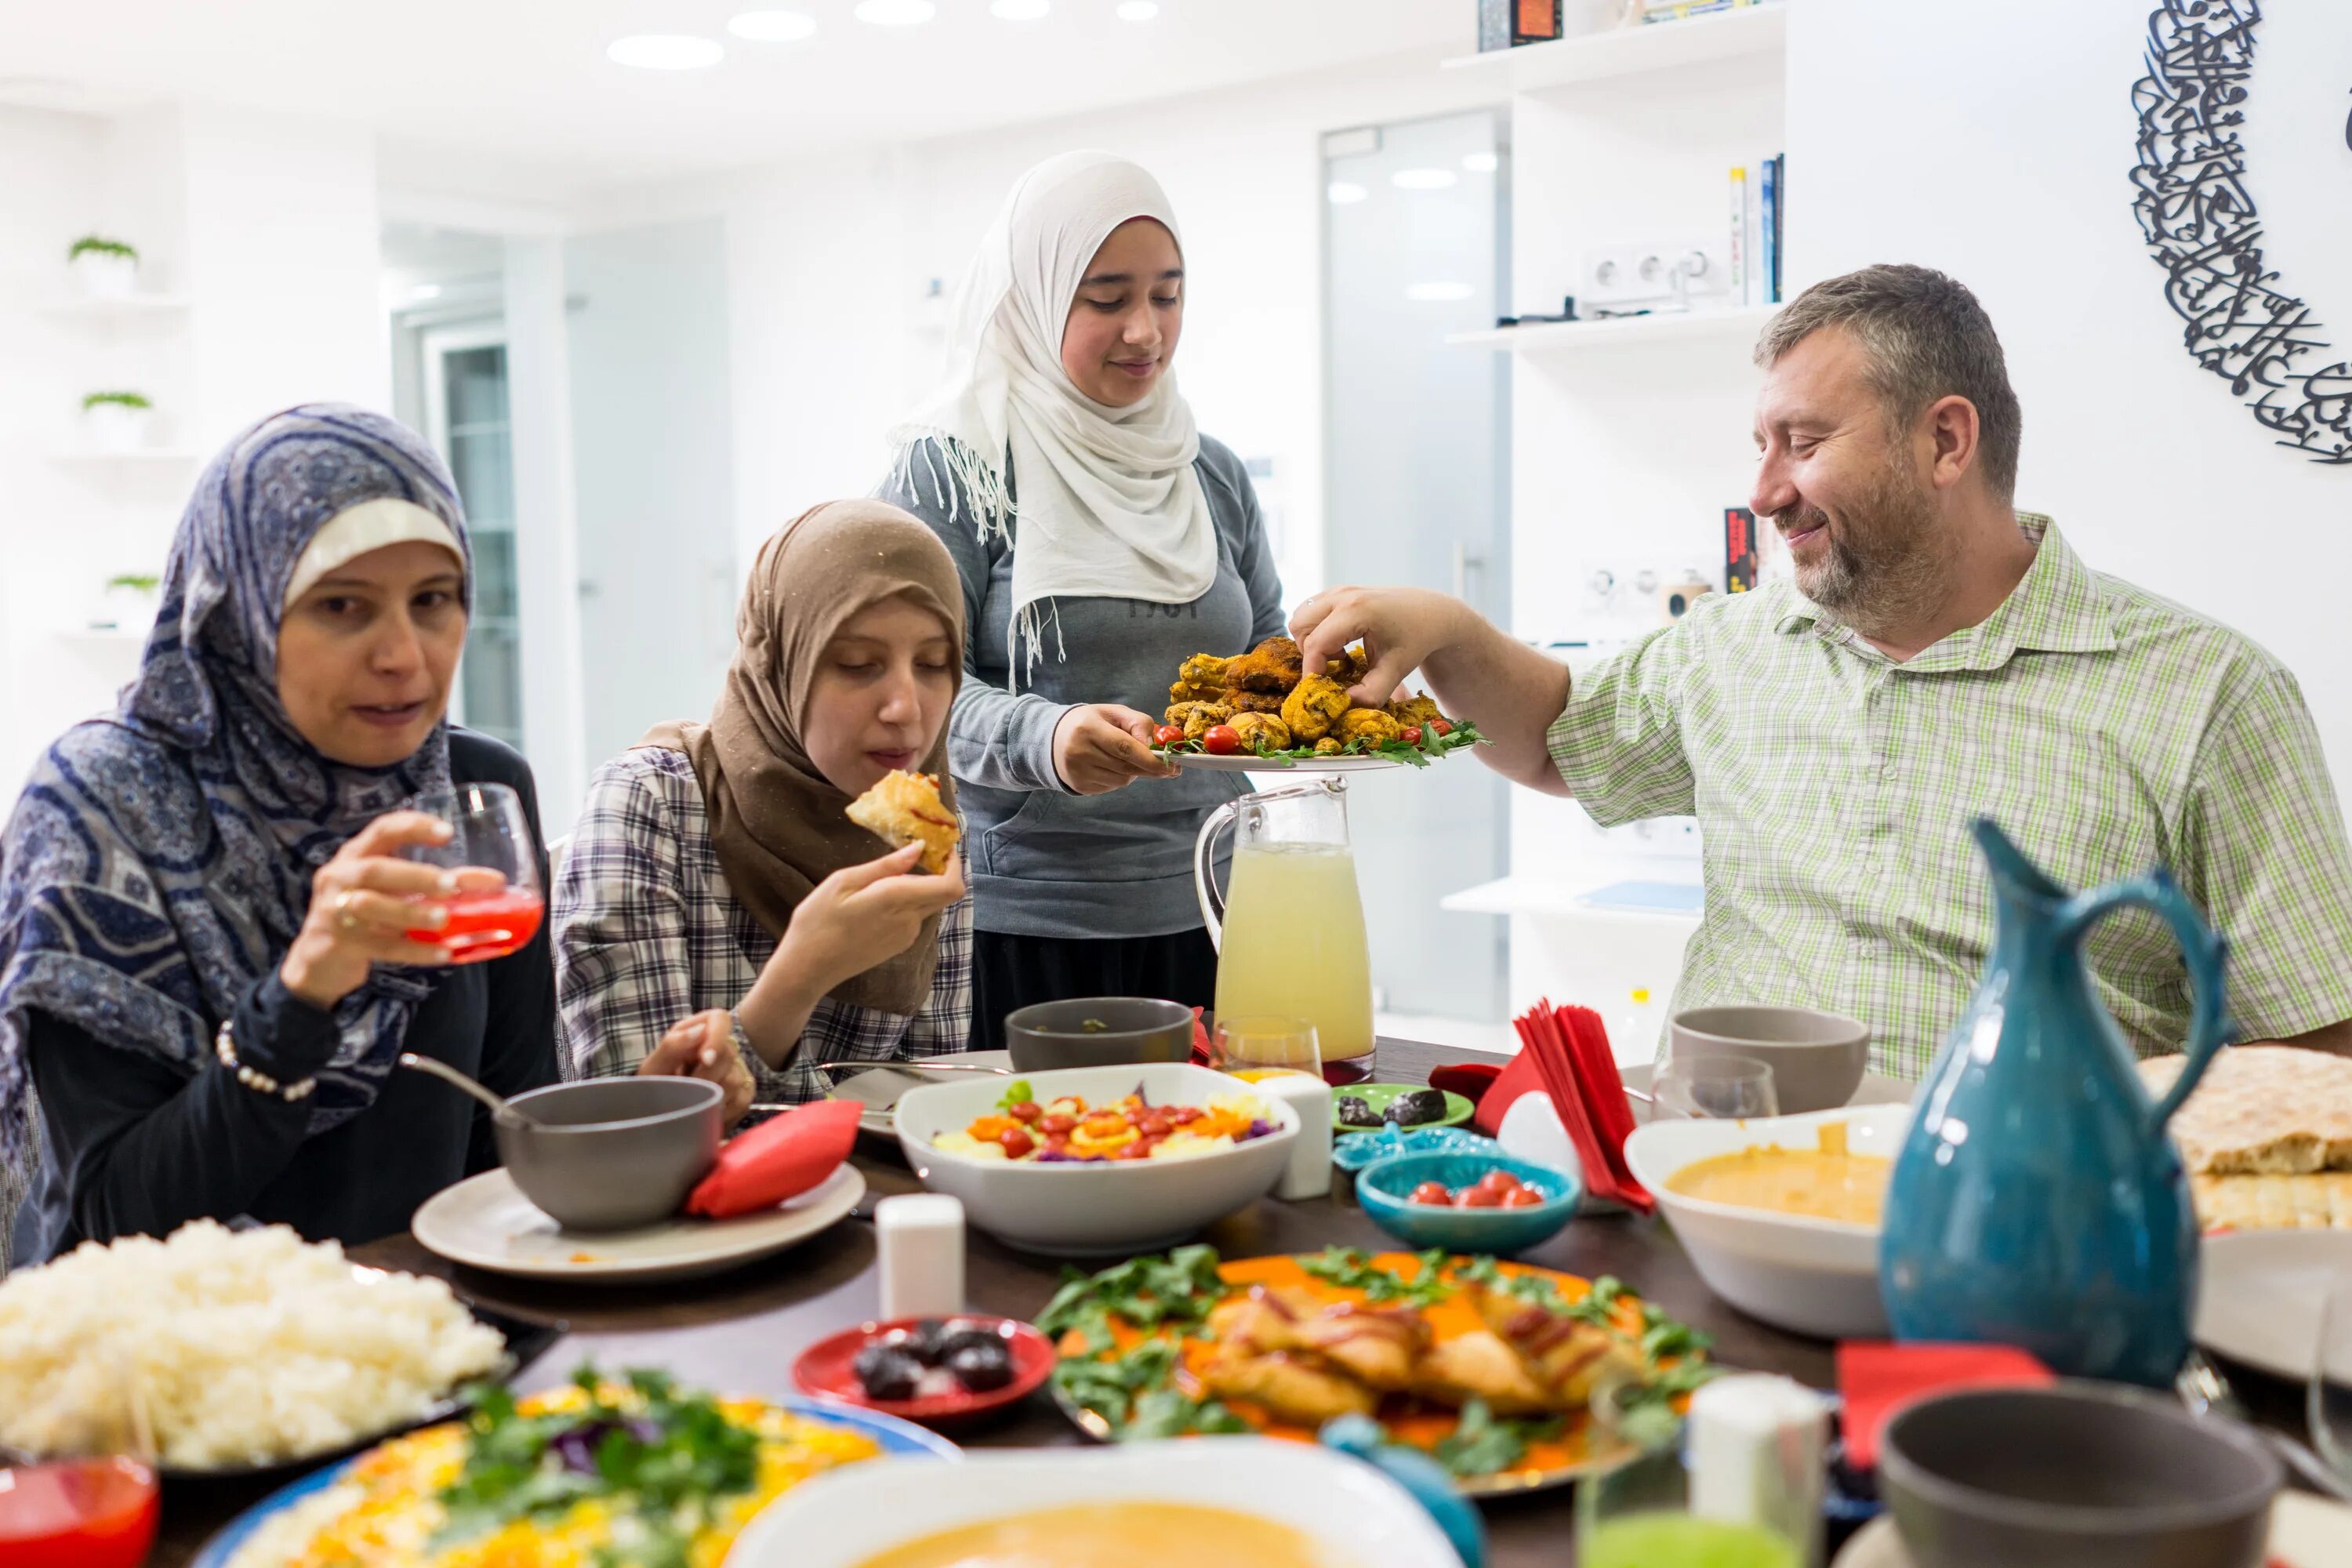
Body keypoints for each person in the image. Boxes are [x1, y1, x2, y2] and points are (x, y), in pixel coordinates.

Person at [1294, 264, 2352, 1078]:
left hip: (2017, 1234)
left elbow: (2317, 1052)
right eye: (1761, 444)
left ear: (1946, 441)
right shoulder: (1736, 644)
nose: (1763, 492)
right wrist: (1449, 632)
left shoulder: (2210, 693)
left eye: (1800, 443)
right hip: (1707, 1186)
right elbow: (1557, 743)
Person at [3, 407, 585, 1263]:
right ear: (237, 610)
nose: (404, 655)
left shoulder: (472, 792)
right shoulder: (98, 808)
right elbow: (118, 1219)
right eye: (343, 606)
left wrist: (666, 1116)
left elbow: (510, 1130)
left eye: (433, 601)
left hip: (425, 1331)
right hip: (179, 1356)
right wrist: (304, 991)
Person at [879, 150, 1287, 1047]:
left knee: (1213, 1160)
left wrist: (1319, 679)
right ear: (1032, 297)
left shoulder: (1207, 470)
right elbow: (895, 703)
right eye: (1106, 298)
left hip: (1216, 899)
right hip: (1025, 918)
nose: (1146, 329)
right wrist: (1048, 737)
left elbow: (1264, 649)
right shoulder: (956, 470)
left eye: (1168, 294)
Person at [554, 500, 972, 1107]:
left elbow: (933, 1107)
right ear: (779, 663)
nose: (906, 708)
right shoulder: (649, 807)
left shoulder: (926, 827)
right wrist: (800, 976)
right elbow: (628, 1124)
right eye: (858, 665)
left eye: (934, 664)